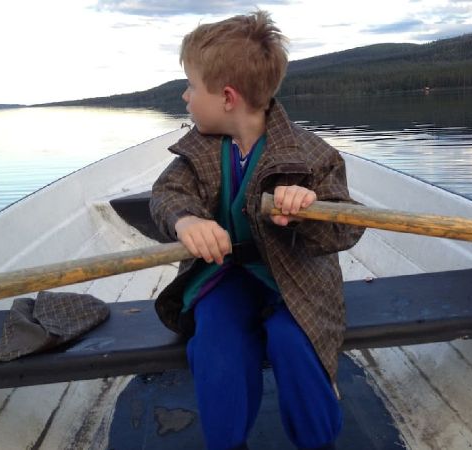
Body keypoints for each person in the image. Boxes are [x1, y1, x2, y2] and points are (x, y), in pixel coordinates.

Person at [149, 10, 365, 450]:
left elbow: (346, 227)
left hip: (296, 281)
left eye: (191, 86)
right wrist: (186, 220)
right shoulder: (199, 151)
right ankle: (229, 444)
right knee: (216, 344)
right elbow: (167, 194)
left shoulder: (311, 154)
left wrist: (312, 212)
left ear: (227, 97)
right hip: (224, 276)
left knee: (293, 339)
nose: (186, 98)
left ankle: (318, 441)